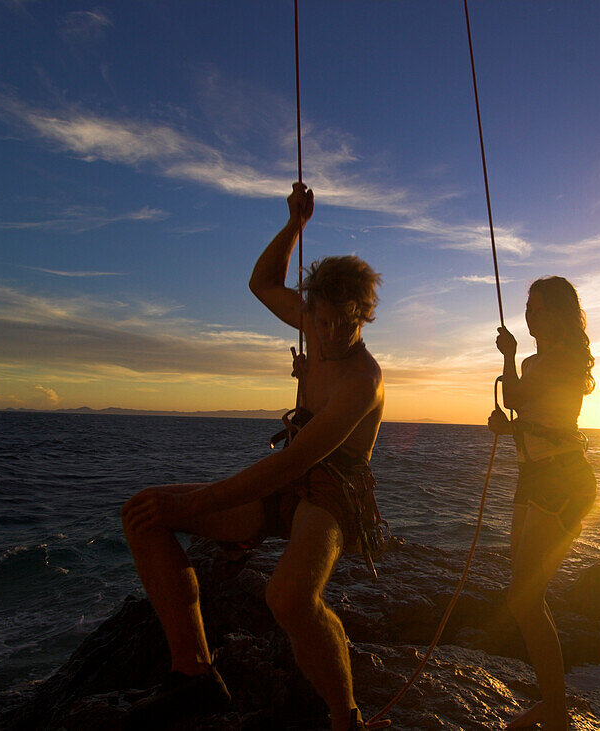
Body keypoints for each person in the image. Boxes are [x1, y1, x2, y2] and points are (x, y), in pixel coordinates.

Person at [121, 182, 385, 731]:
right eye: (324, 320)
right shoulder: (312, 323)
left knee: (288, 598)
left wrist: (207, 497)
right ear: (311, 310)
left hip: (332, 493)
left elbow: (294, 464)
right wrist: (295, 224)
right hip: (285, 488)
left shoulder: (364, 379)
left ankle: (346, 719)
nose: (332, 335)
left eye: (348, 323)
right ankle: (194, 674)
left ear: (365, 316)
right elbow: (262, 282)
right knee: (144, 512)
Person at [488, 276, 596, 731]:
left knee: (524, 599)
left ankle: (556, 712)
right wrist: (507, 428)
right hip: (534, 477)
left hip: (563, 480)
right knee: (524, 598)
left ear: (557, 313)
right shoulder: (536, 363)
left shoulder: (564, 360)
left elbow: (515, 397)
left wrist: (508, 357)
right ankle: (554, 707)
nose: (529, 314)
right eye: (527, 307)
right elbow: (532, 415)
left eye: (537, 307)